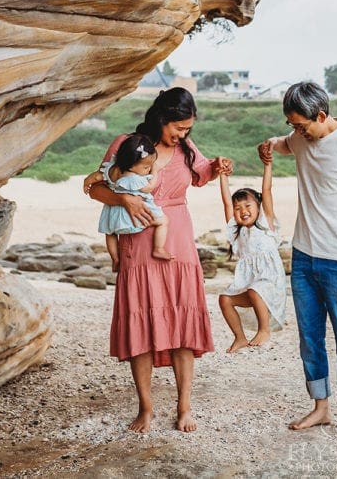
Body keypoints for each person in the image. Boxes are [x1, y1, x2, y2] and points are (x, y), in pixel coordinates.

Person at [84, 87, 232, 434]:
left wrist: (218, 166)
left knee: (182, 327)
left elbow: (202, 175)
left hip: (177, 241)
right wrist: (126, 202)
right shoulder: (128, 143)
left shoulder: (186, 149)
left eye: (187, 129)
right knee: (141, 325)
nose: (183, 134)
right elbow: (95, 186)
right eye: (178, 128)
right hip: (136, 244)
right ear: (162, 117)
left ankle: (184, 408)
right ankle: (146, 409)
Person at [257, 81, 337, 440]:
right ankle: (321, 407)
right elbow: (280, 145)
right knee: (310, 337)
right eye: (291, 125)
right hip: (304, 257)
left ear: (321, 115)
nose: (296, 132)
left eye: (301, 124)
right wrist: (267, 146)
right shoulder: (300, 138)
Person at [217, 156, 287, 353]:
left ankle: (264, 330)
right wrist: (222, 175)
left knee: (256, 290)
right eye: (238, 208)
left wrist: (268, 165)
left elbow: (266, 191)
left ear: (258, 207)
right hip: (250, 285)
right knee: (225, 299)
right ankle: (239, 338)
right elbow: (226, 203)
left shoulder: (266, 225)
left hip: (270, 283)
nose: (243, 211)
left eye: (248, 206)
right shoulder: (236, 232)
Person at [84, 133, 170, 271]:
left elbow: (96, 176)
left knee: (110, 233)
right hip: (131, 216)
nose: (148, 169)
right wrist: (155, 171)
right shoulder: (133, 178)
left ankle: (115, 259)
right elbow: (149, 187)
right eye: (146, 167)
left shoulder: (111, 170)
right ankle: (158, 248)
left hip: (112, 214)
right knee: (163, 221)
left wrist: (87, 181)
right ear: (131, 165)